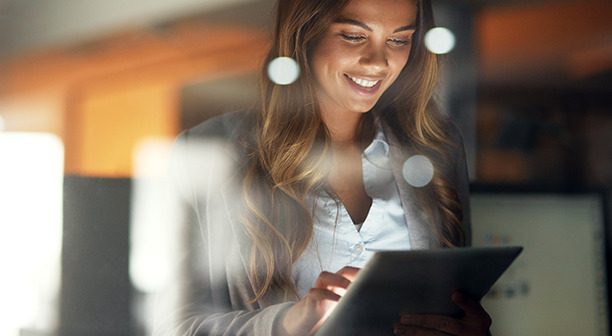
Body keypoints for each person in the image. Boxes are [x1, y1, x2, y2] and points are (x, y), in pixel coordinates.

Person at [169, 0, 492, 335]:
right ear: (304, 34)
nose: (378, 62)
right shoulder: (212, 153)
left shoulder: (436, 147)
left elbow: (456, 301)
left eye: (398, 40)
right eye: (353, 36)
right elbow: (171, 326)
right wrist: (287, 323)